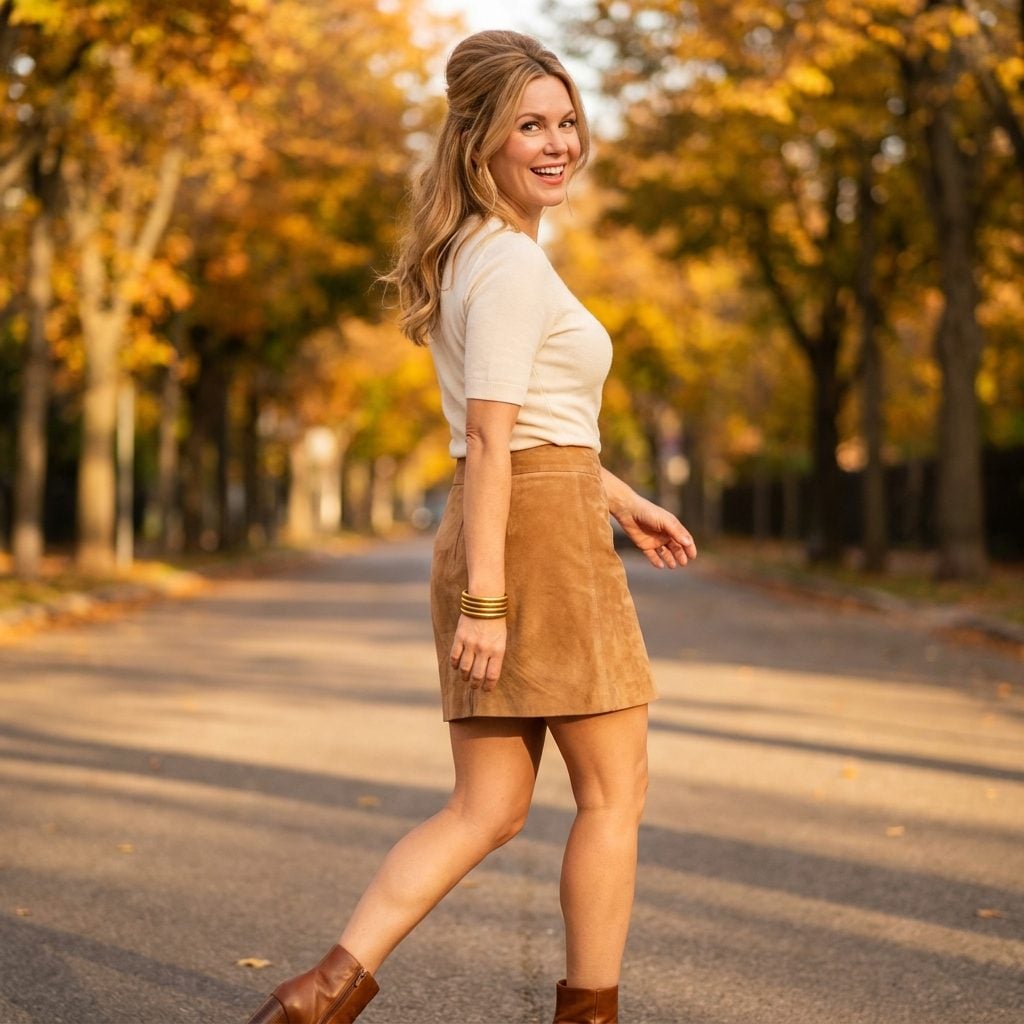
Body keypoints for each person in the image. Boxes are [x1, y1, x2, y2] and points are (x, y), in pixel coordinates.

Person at [244, 29, 696, 1024]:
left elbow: (525, 430)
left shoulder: (477, 255)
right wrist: (487, 602)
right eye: (530, 125)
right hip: (535, 543)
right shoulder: (510, 266)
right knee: (613, 794)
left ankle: (317, 998)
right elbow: (493, 440)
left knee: (485, 808)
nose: (558, 143)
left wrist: (621, 498)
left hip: (517, 517)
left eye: (566, 121)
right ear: (479, 139)